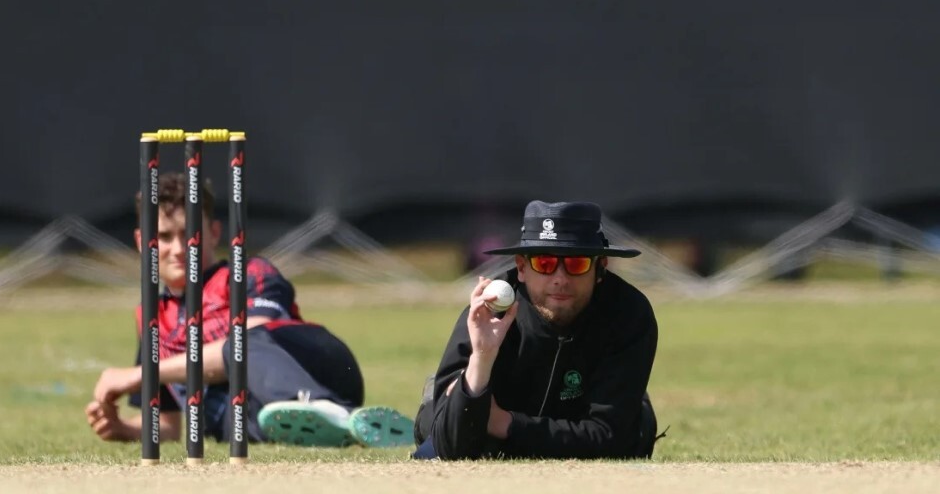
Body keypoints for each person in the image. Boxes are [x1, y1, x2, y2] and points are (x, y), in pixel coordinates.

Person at [84, 172, 413, 448]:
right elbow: (169, 428)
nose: (179, 248)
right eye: (165, 237)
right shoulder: (151, 316)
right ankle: (341, 429)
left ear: (213, 233)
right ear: (144, 242)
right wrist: (122, 429)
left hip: (319, 367)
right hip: (249, 415)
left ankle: (322, 408)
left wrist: (142, 374)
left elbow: (243, 347)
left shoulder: (248, 273)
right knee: (229, 421)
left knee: (240, 339)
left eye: (190, 234)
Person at [412, 200, 662, 460]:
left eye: (577, 264)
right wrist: (482, 358)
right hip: (524, 426)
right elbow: (450, 448)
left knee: (637, 433)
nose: (560, 278)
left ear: (600, 268)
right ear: (521, 267)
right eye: (545, 263)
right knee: (438, 416)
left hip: (559, 420)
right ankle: (449, 389)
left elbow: (610, 438)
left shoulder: (628, 313)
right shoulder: (489, 312)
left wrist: (504, 423)